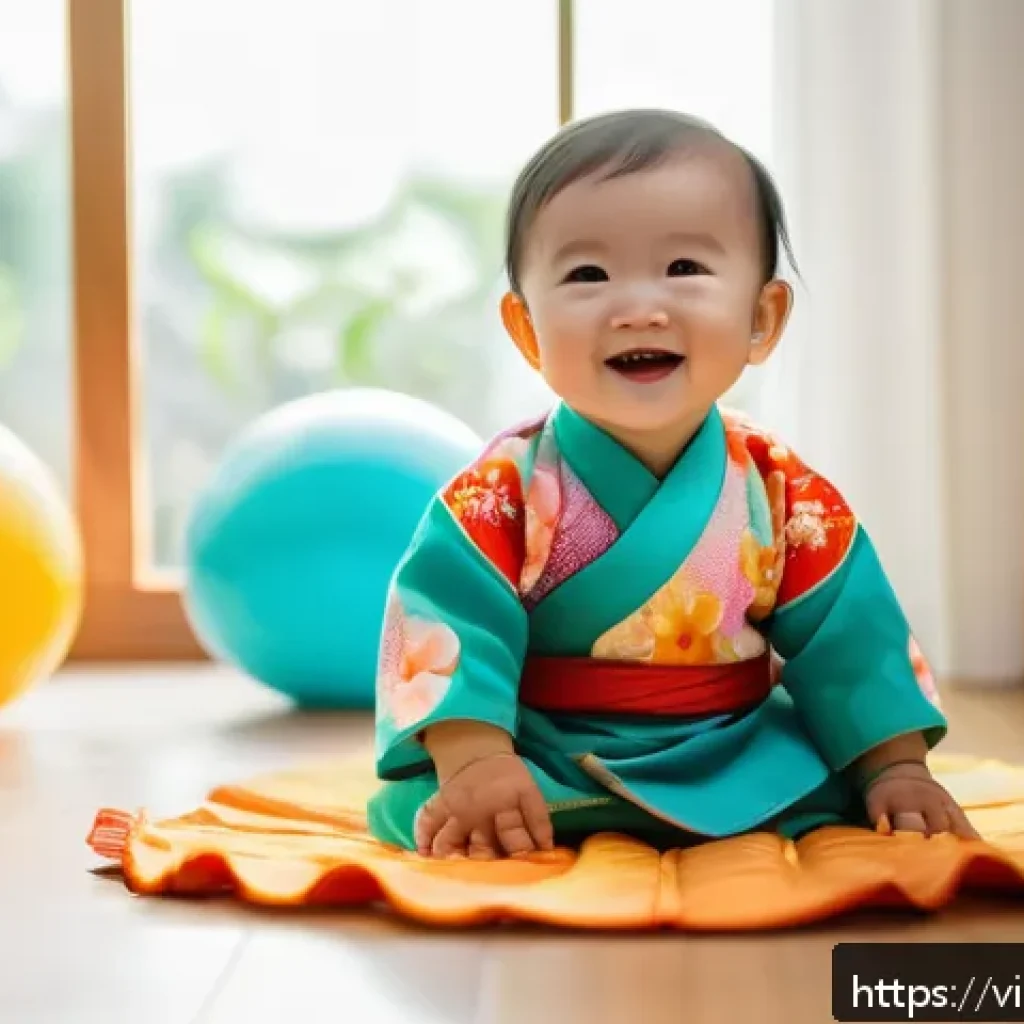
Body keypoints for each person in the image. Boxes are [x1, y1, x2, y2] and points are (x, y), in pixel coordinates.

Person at [366, 108, 979, 859]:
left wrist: (895, 767)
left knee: (838, 785)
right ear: (527, 330)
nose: (638, 309)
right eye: (588, 275)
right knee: (430, 806)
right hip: (549, 749)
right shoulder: (505, 489)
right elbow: (452, 617)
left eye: (684, 268)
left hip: (733, 747)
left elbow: (848, 633)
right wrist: (475, 761)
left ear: (761, 318)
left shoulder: (778, 489)